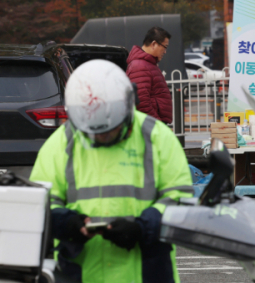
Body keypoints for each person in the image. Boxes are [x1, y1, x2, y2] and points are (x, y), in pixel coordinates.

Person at [30, 60, 193, 283]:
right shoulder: (61, 143)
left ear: (128, 109)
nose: (101, 138)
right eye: (94, 134)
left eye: (110, 131)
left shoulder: (157, 137)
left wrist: (142, 228)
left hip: (146, 273)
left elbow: (181, 200)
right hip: (81, 274)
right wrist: (67, 223)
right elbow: (39, 203)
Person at [126, 27, 173, 124]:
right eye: (165, 47)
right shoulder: (140, 66)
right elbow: (142, 103)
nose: (165, 51)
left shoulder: (147, 64)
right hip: (152, 126)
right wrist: (158, 125)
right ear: (154, 44)